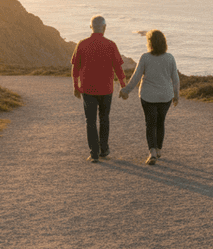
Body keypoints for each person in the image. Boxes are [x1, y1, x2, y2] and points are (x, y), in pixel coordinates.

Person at [71, 15, 127, 163]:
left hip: (88, 89)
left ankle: (93, 153)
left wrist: (76, 86)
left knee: (90, 121)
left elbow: (75, 68)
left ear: (91, 27)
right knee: (104, 119)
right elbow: (118, 68)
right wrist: (123, 87)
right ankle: (104, 149)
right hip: (106, 89)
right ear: (104, 27)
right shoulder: (111, 45)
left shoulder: (82, 44)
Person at [119, 29, 179, 165]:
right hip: (165, 96)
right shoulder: (170, 57)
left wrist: (126, 91)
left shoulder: (145, 57)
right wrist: (176, 95)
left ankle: (152, 152)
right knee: (160, 122)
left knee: (150, 123)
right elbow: (175, 79)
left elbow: (136, 77)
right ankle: (158, 149)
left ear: (150, 43)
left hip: (148, 96)